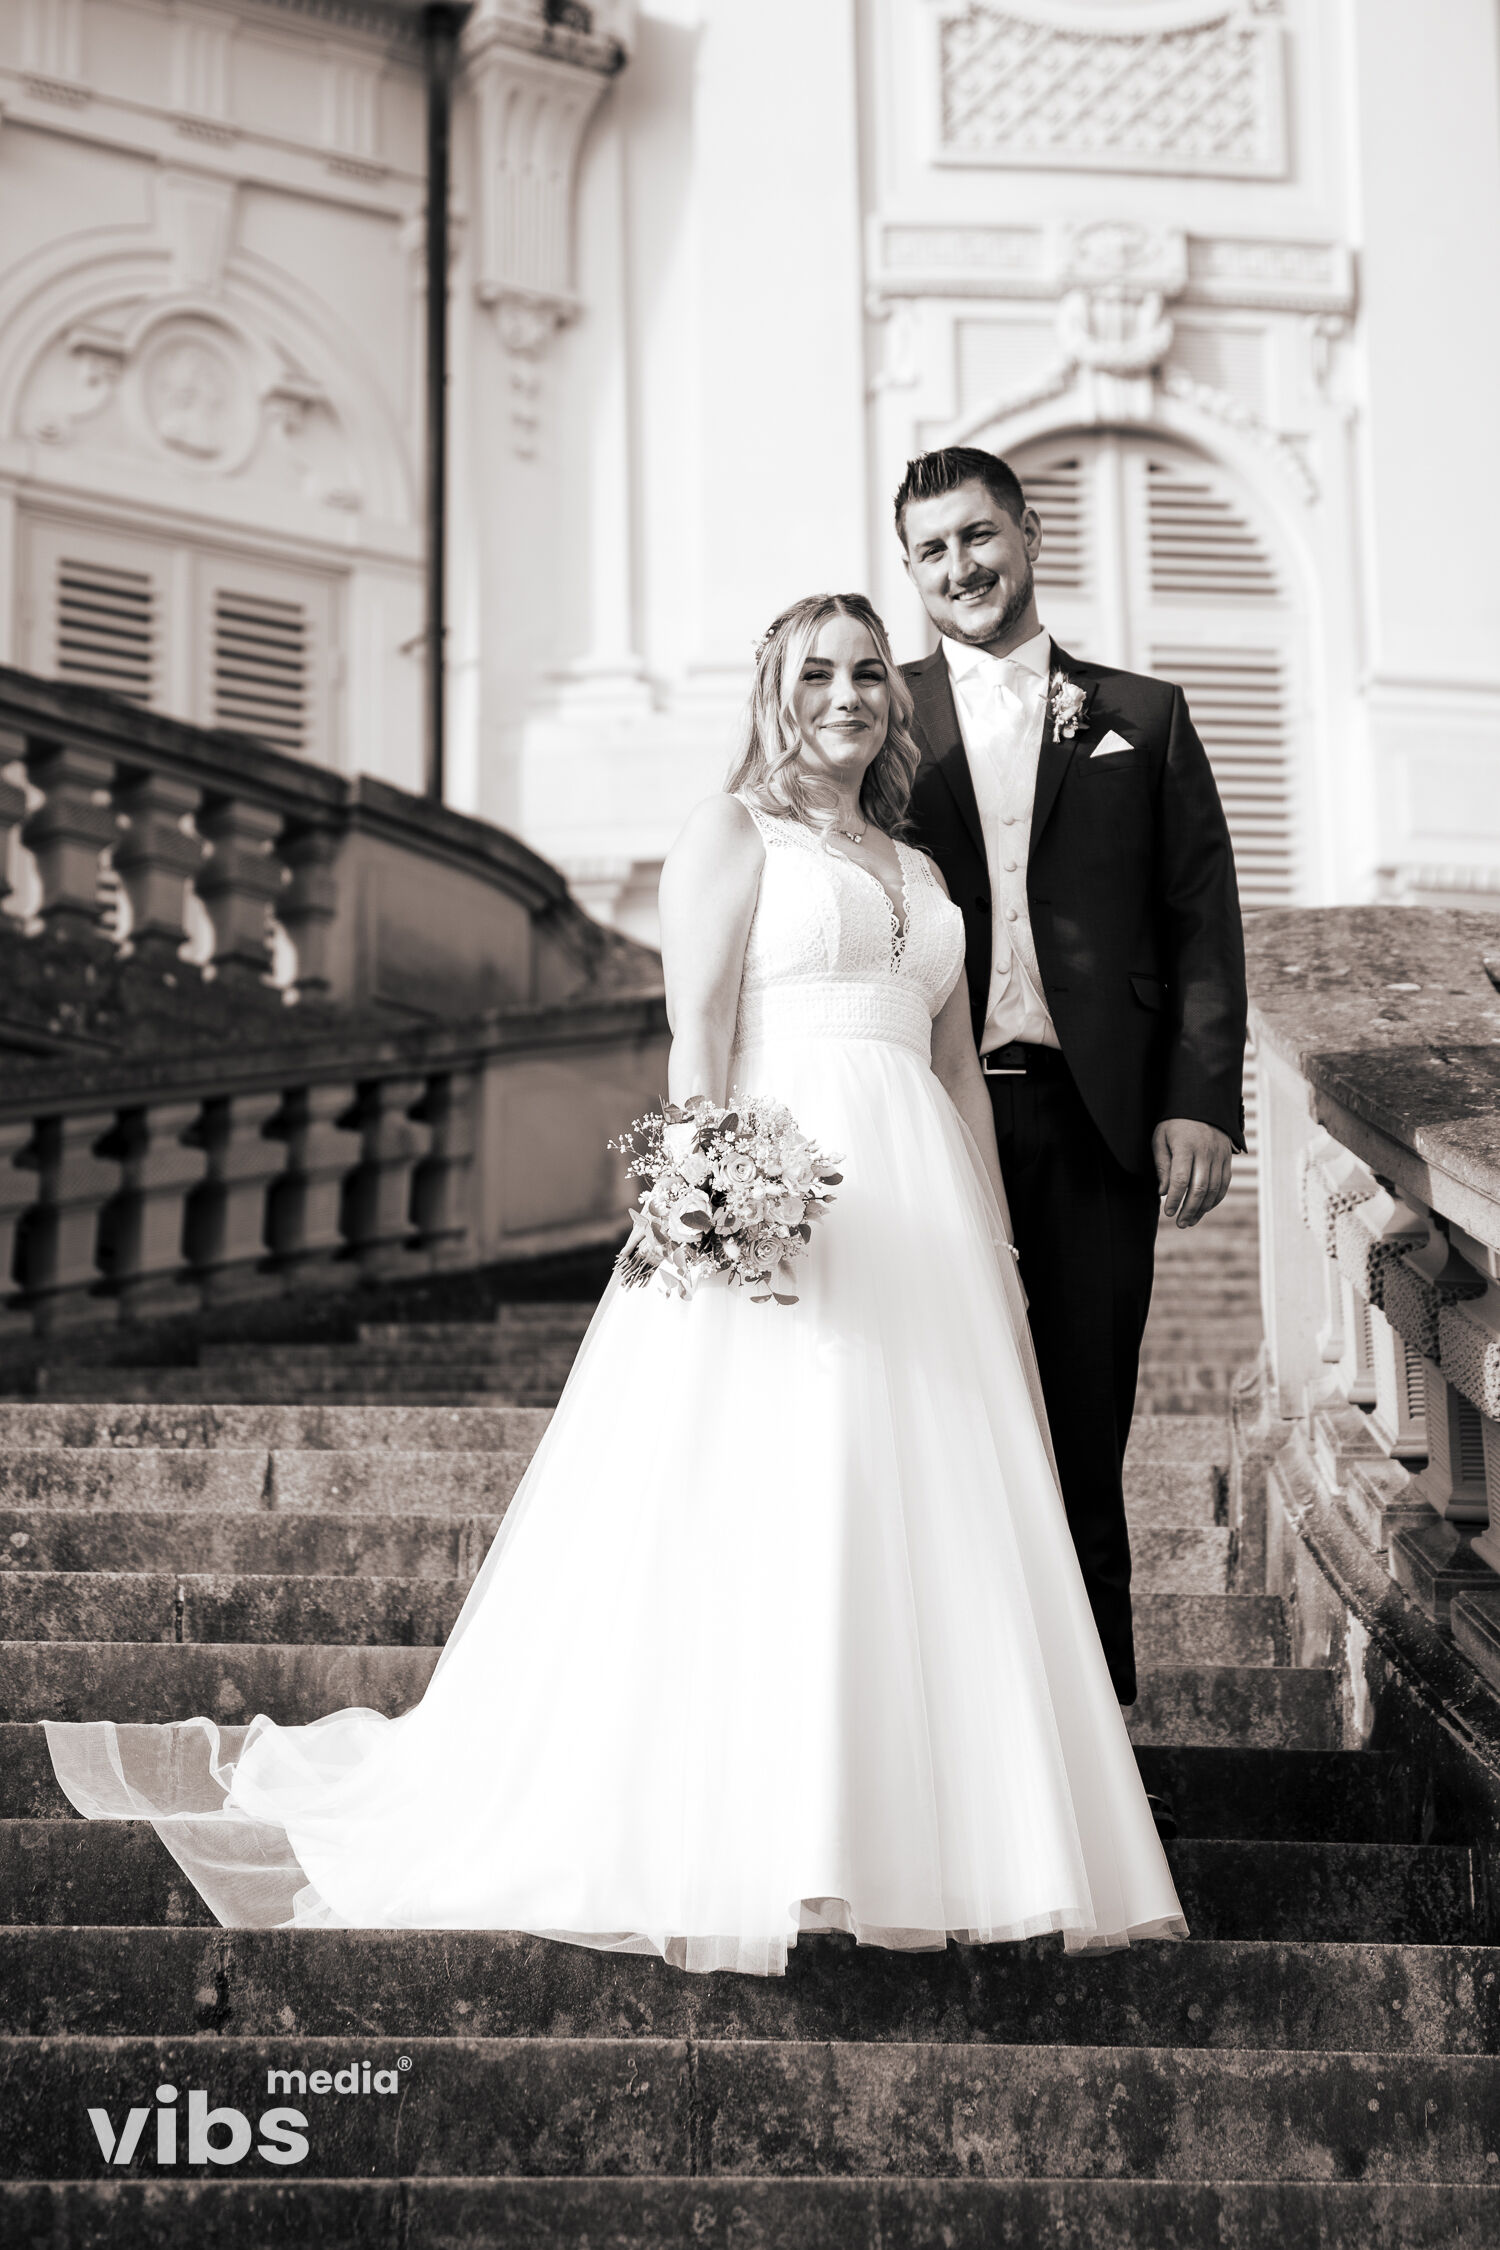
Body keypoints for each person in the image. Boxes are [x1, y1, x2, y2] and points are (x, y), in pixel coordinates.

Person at [45, 591, 1185, 1974]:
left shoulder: (922, 866)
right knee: (783, 1492)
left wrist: (993, 1243)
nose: (847, 695)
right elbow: (695, 1030)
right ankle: (774, 1830)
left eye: (866, 673)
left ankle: (916, 1836)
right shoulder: (731, 833)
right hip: (788, 1191)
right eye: (815, 674)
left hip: (926, 1217)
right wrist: (713, 1191)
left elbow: (957, 1070)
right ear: (773, 695)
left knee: (925, 1506)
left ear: (895, 696)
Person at [897, 445, 1248, 1756]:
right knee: (937, 1430)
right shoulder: (878, 711)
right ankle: (951, 1746)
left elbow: (1200, 917)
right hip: (926, 1125)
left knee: (1084, 1434)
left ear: (1030, 533)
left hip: (1094, 1120)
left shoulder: (1142, 715)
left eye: (978, 536)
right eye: (930, 550)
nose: (960, 567)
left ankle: (1099, 1759)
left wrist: (1200, 1098)